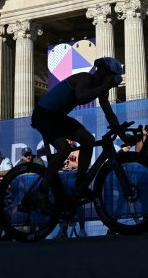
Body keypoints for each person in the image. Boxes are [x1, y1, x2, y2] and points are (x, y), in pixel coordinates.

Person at [31, 57, 123, 205]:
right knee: (65, 149)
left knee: (88, 140)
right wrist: (104, 87)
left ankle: (80, 182)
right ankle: (42, 191)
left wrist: (121, 133)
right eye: (113, 77)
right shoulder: (84, 78)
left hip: (57, 117)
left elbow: (109, 112)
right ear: (104, 72)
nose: (113, 82)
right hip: (43, 115)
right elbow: (81, 97)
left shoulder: (101, 89)